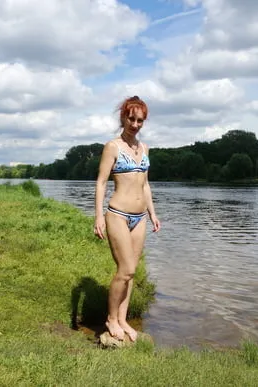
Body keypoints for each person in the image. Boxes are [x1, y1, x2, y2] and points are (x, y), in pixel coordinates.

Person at [94, 96, 161, 342]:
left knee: (131, 274)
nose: (135, 124)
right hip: (118, 215)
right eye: (131, 118)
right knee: (126, 269)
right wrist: (98, 215)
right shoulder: (113, 146)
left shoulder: (144, 149)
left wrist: (153, 213)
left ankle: (123, 320)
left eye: (140, 120)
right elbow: (101, 182)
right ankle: (111, 318)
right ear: (123, 117)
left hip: (140, 217)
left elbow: (145, 185)